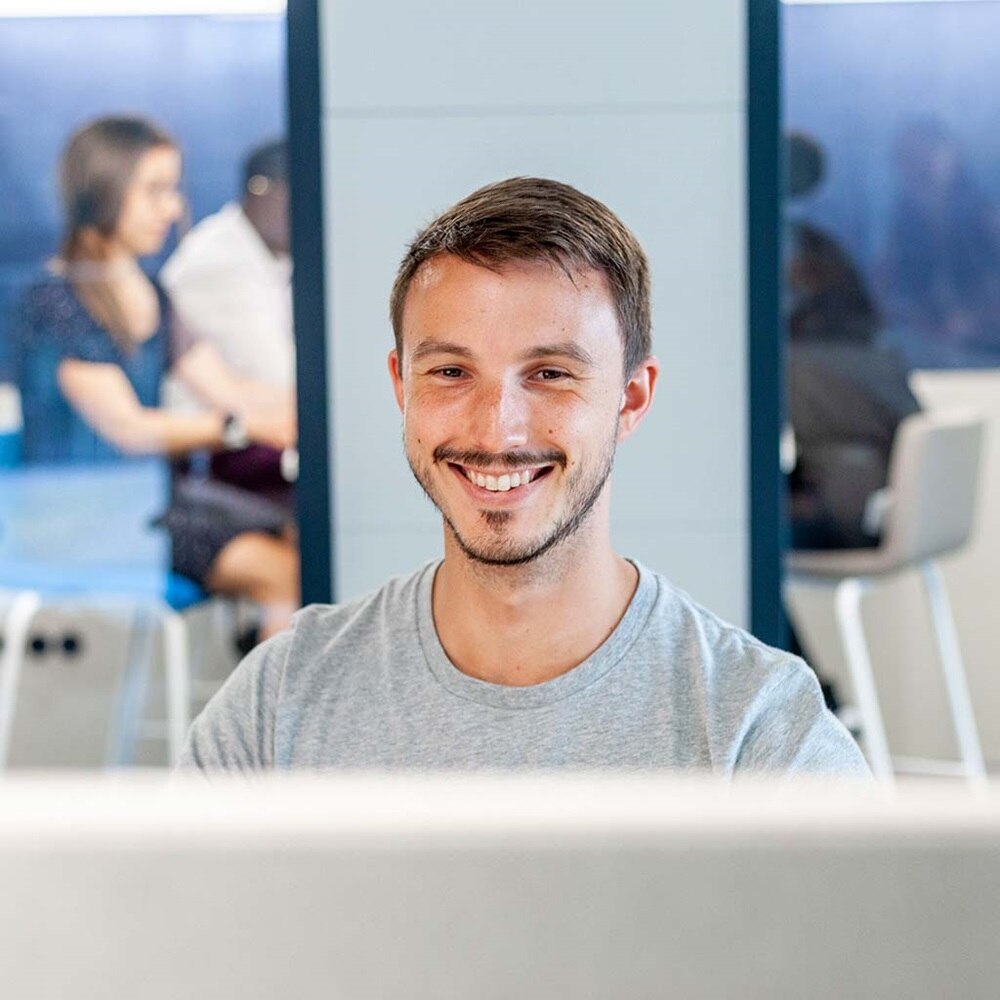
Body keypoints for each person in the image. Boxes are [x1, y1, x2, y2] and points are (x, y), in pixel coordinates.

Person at [180, 177, 869, 777]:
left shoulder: (761, 733)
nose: (496, 430)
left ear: (630, 399)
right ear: (401, 387)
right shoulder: (276, 707)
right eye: (451, 372)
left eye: (550, 375)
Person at [12, 116, 299, 638]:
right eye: (155, 191)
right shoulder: (55, 299)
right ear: (105, 190)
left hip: (148, 505)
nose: (172, 208)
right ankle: (266, 720)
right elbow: (127, 430)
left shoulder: (151, 295)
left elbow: (229, 387)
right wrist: (241, 426)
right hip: (85, 521)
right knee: (282, 574)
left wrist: (308, 409)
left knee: (301, 537)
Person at [160, 139, 295, 511]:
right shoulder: (216, 262)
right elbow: (275, 375)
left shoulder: (272, 256)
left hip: (248, 439)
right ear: (262, 190)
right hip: (212, 464)